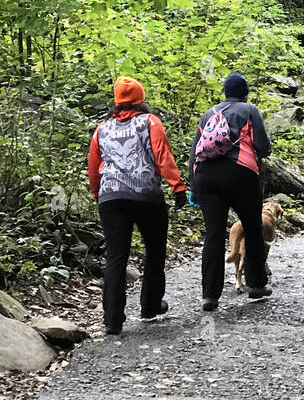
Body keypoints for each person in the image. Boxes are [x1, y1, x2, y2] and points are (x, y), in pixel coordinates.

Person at [88, 76, 188, 336]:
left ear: (117, 101)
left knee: (116, 256)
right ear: (140, 99)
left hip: (111, 197)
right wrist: (177, 186)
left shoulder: (102, 128)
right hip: (145, 196)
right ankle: (150, 306)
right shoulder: (150, 122)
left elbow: (93, 167)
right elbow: (162, 155)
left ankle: (112, 319)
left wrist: (99, 194)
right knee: (155, 250)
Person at [189, 72, 273, 312]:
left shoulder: (208, 114)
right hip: (241, 174)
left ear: (225, 92)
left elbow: (195, 151)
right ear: (245, 92)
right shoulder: (249, 110)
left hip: (207, 177)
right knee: (252, 227)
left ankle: (210, 296)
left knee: (213, 235)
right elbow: (263, 147)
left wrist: (193, 185)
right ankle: (256, 284)